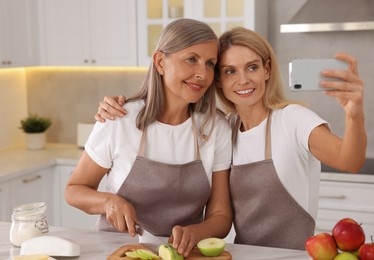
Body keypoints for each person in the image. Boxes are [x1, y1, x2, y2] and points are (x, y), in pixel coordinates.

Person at [95, 26, 367, 250]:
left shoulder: (292, 119)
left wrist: (354, 115)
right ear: (218, 81)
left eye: (252, 67)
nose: (243, 80)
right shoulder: (225, 129)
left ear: (267, 70)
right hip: (243, 254)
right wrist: (121, 105)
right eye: (229, 71)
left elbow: (349, 161)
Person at [65, 18, 233, 257]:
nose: (202, 74)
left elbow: (221, 217)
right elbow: (74, 189)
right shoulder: (120, 119)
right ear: (160, 62)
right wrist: (109, 202)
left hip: (181, 254)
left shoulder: (216, 128)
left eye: (210, 64)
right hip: (118, 251)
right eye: (191, 59)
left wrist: (196, 232)